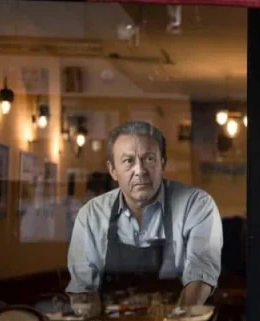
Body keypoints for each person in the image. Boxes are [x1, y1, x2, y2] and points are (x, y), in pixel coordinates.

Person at [67, 121, 222, 310]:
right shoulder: (91, 215)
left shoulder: (195, 204)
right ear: (113, 170)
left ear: (162, 163)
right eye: (128, 161)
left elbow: (200, 277)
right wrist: (90, 316)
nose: (140, 171)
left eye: (149, 159)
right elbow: (83, 288)